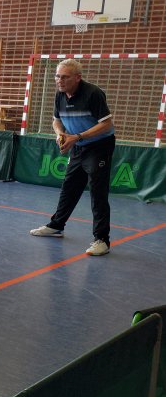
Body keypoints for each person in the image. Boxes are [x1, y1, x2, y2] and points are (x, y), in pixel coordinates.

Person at [29, 59, 115, 256]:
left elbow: (106, 124)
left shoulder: (93, 93)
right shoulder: (60, 95)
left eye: (65, 77)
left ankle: (102, 240)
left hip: (99, 146)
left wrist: (77, 137)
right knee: (69, 187)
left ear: (77, 78)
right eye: (57, 76)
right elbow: (56, 121)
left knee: (98, 192)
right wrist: (60, 134)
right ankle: (56, 225)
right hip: (77, 146)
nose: (59, 80)